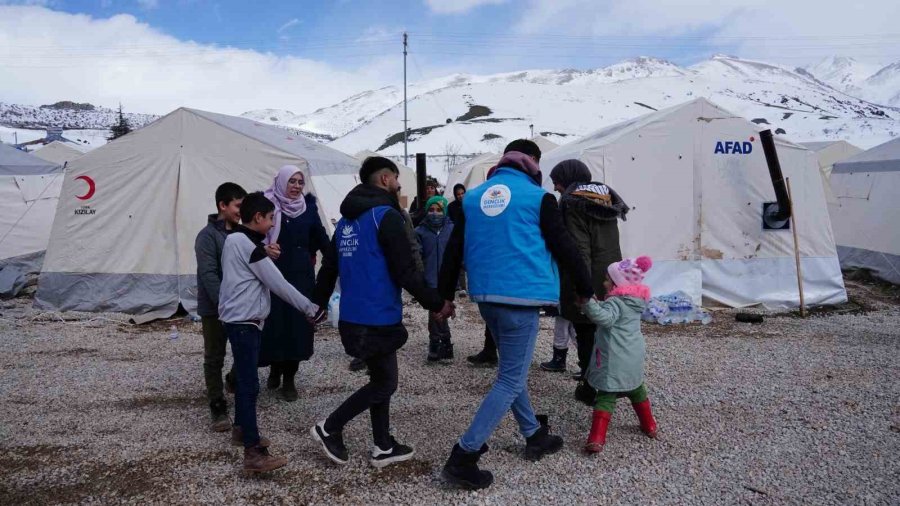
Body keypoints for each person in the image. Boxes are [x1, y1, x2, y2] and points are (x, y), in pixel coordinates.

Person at [436, 139, 594, 490]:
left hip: (486, 297)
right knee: (509, 379)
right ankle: (464, 456)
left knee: (513, 368)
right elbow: (564, 246)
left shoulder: (473, 198)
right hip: (521, 298)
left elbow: (453, 250)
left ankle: (533, 434)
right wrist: (584, 287)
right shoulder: (539, 199)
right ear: (533, 163)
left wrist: (444, 297)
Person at [311, 156, 453, 468]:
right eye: (397, 179)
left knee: (380, 377)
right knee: (385, 383)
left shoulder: (347, 221)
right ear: (385, 179)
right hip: (376, 317)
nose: (400, 185)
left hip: (353, 316)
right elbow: (406, 271)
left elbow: (329, 267)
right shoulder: (385, 217)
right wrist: (437, 302)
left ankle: (383, 445)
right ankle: (330, 427)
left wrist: (317, 304)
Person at [218, 192, 321, 474]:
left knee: (247, 378)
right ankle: (253, 453)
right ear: (258, 218)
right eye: (271, 217)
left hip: (242, 319)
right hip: (244, 321)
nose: (274, 222)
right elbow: (277, 283)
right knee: (249, 384)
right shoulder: (245, 244)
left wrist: (266, 252)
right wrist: (310, 308)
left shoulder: (241, 241)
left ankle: (241, 430)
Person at [547, 159, 629, 404]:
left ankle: (590, 384)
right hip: (611, 276)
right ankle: (616, 380)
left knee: (585, 332)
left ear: (569, 178)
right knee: (607, 332)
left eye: (557, 182)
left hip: (587, 277)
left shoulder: (573, 203)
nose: (556, 188)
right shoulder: (604, 198)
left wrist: (579, 286)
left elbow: (578, 248)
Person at [259, 165, 330, 402]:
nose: (296, 186)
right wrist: (264, 249)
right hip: (273, 274)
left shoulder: (308, 208)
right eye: (292, 181)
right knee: (274, 325)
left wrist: (337, 260)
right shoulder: (267, 205)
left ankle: (289, 377)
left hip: (301, 276)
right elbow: (252, 235)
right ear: (281, 181)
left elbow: (320, 237)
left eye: (300, 182)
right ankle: (275, 367)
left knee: (297, 327)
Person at [580, 256, 658, 453]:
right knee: (637, 388)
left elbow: (605, 319)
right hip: (633, 354)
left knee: (607, 394)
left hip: (615, 356)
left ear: (617, 283)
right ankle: (649, 425)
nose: (604, 282)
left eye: (608, 279)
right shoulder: (635, 301)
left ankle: (596, 438)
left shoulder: (615, 302)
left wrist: (588, 304)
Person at [195, 182, 246, 433]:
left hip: (240, 306)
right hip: (215, 308)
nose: (241, 210)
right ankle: (217, 404)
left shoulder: (242, 233)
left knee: (245, 352)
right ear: (222, 206)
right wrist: (224, 305)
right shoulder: (206, 237)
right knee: (214, 356)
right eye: (238, 205)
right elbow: (209, 275)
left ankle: (233, 381)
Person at [415, 195, 455, 362]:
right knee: (434, 311)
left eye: (438, 210)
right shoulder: (420, 231)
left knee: (444, 310)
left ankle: (443, 342)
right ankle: (438, 342)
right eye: (431, 210)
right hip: (430, 278)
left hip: (448, 279)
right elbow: (417, 255)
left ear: (444, 211)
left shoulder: (452, 229)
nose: (434, 213)